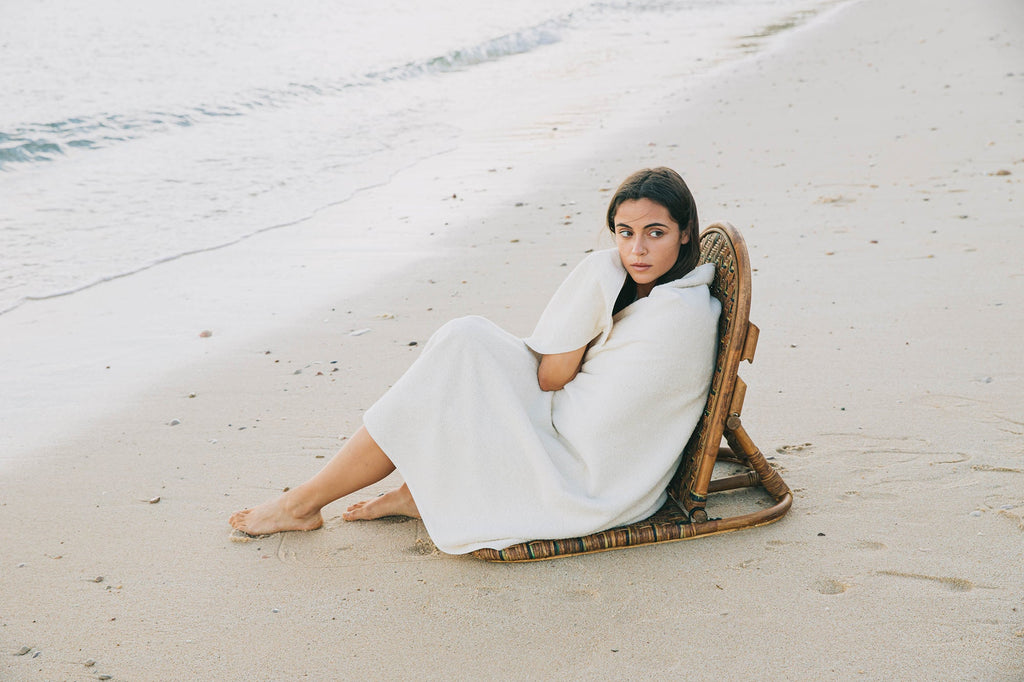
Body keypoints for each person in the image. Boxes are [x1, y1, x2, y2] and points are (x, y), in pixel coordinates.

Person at [229, 167, 721, 554]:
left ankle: (303, 503)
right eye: (624, 233)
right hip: (592, 449)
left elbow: (552, 377)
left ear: (685, 233)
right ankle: (413, 491)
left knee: (462, 348)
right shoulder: (680, 299)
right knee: (464, 348)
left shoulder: (663, 308)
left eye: (655, 232)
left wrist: (595, 281)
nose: (636, 250)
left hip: (582, 474)